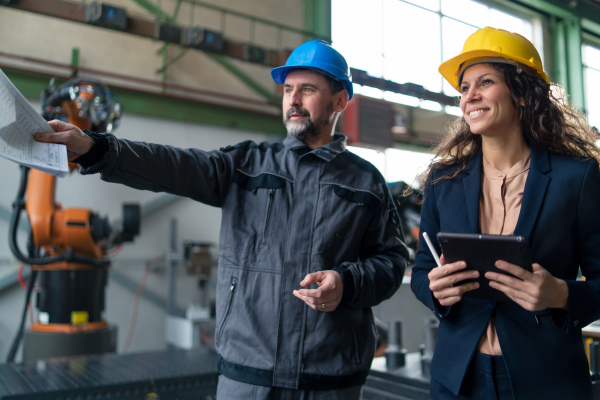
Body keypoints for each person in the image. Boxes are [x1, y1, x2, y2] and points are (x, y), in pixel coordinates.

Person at [34, 39, 409, 399]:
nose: (293, 99)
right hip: (249, 377)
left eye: (307, 89)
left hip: (332, 380)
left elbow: (391, 262)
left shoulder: (366, 181)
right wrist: (93, 147)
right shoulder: (245, 165)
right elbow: (172, 165)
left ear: (340, 100)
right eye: (287, 90)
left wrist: (346, 282)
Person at [411, 26, 600, 400]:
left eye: (485, 82)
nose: (470, 97)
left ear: (522, 93)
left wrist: (560, 294)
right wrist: (436, 290)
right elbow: (421, 270)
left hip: (546, 380)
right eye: (464, 88)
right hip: (459, 378)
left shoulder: (575, 178)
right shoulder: (443, 180)